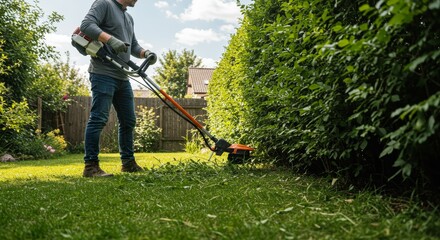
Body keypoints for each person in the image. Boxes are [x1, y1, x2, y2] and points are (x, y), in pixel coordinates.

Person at [80, 0, 156, 177]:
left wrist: (146, 53)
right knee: (98, 118)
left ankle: (128, 163)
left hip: (123, 76)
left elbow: (133, 45)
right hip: (103, 73)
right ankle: (90, 166)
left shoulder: (128, 17)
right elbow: (86, 25)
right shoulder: (104, 4)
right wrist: (110, 39)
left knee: (128, 121)